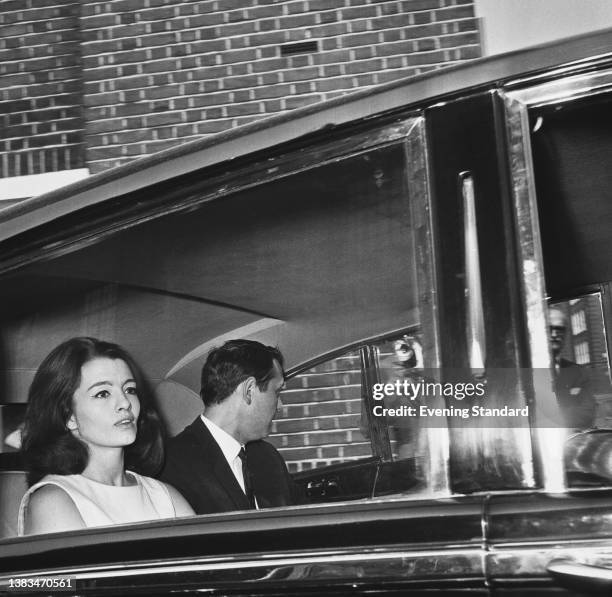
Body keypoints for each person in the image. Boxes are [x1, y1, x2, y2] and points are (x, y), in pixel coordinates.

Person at [18, 337, 193, 535]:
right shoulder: (54, 501)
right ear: (69, 417)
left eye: (130, 389)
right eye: (103, 393)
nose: (125, 403)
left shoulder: (165, 495)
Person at [160, 339, 297, 514]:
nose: (280, 406)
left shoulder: (268, 458)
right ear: (249, 390)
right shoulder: (171, 465)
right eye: (277, 392)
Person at [549, 306, 597, 430]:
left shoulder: (579, 372)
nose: (554, 334)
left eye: (559, 330)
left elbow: (587, 413)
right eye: (549, 329)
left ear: (565, 334)